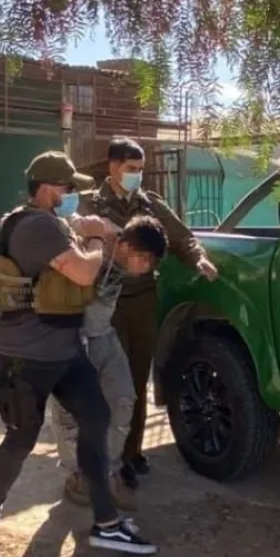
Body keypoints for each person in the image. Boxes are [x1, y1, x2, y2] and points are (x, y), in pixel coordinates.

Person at [0, 150, 156, 557]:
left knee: (96, 418)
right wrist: (95, 237)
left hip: (65, 351)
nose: (73, 194)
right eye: (66, 188)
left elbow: (79, 237)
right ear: (44, 189)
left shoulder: (52, 223)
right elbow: (84, 273)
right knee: (21, 439)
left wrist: (95, 228)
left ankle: (106, 522)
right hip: (25, 357)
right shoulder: (35, 226)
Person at [79, 137, 217, 486]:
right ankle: (100, 456)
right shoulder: (89, 204)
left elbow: (182, 237)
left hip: (141, 302)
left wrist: (198, 259)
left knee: (137, 379)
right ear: (113, 167)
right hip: (104, 304)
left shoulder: (150, 204)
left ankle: (131, 453)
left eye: (140, 170)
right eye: (131, 169)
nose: (137, 176)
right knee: (106, 382)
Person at [50, 214, 168, 506]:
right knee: (70, 412)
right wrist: (87, 229)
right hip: (71, 336)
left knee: (123, 399)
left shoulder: (122, 244)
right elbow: (74, 224)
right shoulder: (97, 240)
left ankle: (107, 472)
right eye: (145, 259)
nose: (147, 267)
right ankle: (77, 476)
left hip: (103, 334)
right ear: (127, 248)